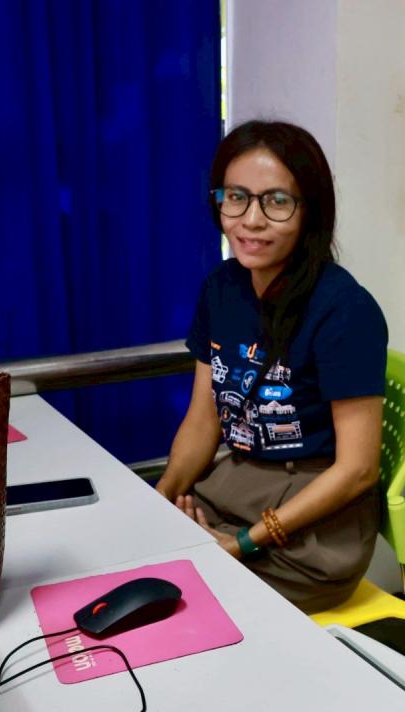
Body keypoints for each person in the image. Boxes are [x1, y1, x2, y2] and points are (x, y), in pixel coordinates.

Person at [155, 120, 387, 614]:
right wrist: (162, 502)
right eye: (236, 197)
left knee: (185, 599)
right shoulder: (222, 289)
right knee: (152, 559)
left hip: (313, 529)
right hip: (235, 488)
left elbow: (358, 469)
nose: (251, 220)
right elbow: (203, 419)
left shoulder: (345, 310)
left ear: (309, 211)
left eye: (276, 201)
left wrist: (242, 543)